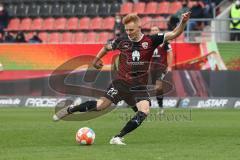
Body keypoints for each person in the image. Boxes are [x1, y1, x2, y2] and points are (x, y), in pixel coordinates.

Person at [53, 12, 190, 145]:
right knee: (100, 106)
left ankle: (117, 137)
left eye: (131, 29)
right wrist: (96, 59)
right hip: (121, 83)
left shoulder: (151, 40)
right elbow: (106, 47)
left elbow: (174, 33)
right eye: (127, 30)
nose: (129, 32)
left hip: (139, 86)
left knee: (144, 111)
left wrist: (183, 22)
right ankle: (71, 109)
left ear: (139, 27)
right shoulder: (122, 41)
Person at [131, 26, 173, 115]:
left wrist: (169, 66)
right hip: (150, 68)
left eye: (156, 30)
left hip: (160, 68)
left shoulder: (164, 42)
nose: (154, 31)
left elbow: (170, 53)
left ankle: (160, 107)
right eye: (152, 30)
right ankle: (139, 105)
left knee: (158, 86)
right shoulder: (147, 42)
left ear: (159, 31)